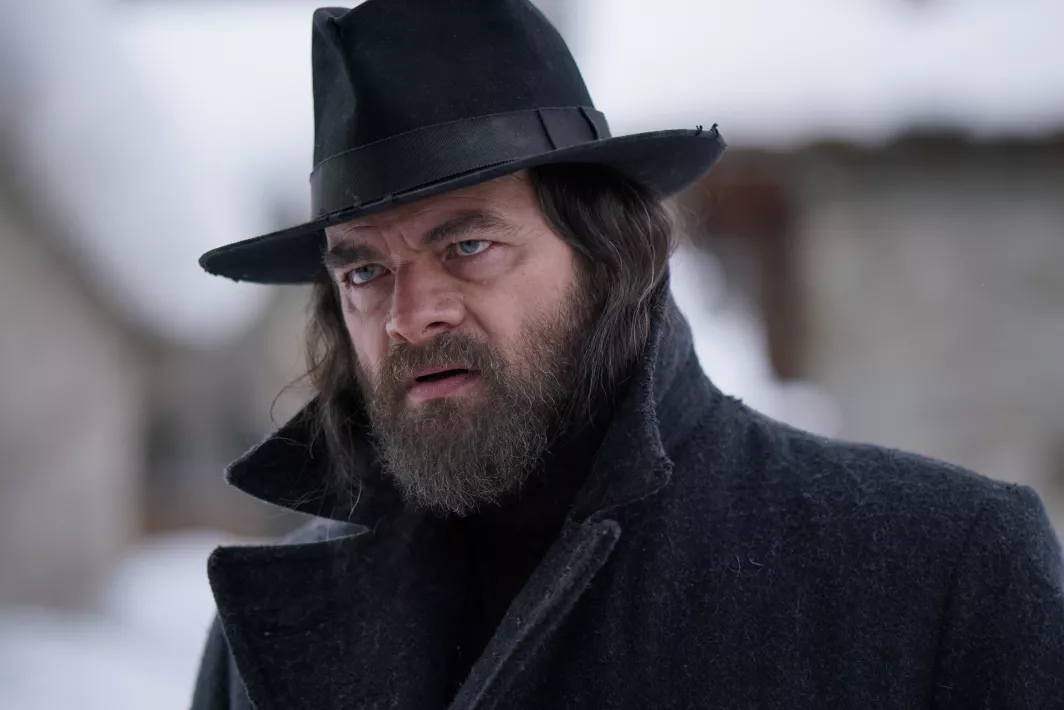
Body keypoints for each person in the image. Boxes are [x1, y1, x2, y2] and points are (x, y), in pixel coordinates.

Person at [191, 1, 1064, 708]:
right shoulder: (276, 618)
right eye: (365, 272)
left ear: (607, 256)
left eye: (468, 247)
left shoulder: (938, 566)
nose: (409, 317)